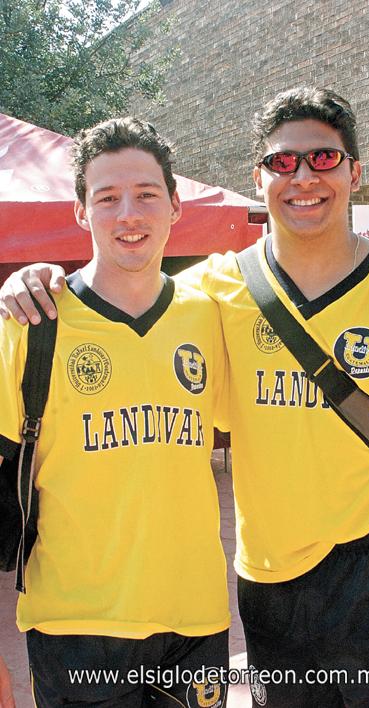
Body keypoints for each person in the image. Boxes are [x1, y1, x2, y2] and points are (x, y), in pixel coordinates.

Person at [2, 87, 369, 707]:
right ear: (259, 177)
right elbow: (127, 290)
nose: (303, 177)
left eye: (324, 159)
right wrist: (30, 280)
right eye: (282, 162)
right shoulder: (216, 291)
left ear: (355, 171)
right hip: (266, 584)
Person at [0, 117, 230, 707]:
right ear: (81, 211)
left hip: (195, 621)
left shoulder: (213, 316)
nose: (129, 213)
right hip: (74, 626)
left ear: (176, 205)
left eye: (147, 194)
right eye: (107, 197)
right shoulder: (29, 324)